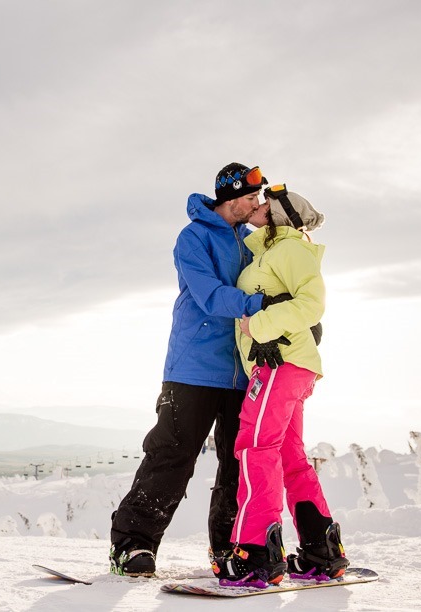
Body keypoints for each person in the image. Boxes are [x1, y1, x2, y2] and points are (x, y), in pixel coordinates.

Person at [109, 162, 288, 577]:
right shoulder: (193, 238)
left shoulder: (251, 241)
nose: (256, 203)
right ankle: (133, 545)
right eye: (250, 197)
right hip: (193, 369)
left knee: (236, 463)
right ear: (230, 198)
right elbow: (209, 296)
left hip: (243, 370)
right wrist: (262, 306)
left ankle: (229, 549)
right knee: (172, 456)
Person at [213, 184, 349, 588]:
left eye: (265, 202)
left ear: (279, 213)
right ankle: (321, 552)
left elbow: (312, 303)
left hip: (280, 362)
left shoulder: (288, 249)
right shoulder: (269, 251)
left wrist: (259, 326)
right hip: (283, 363)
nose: (257, 203)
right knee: (289, 455)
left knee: (254, 447)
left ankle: (255, 555)